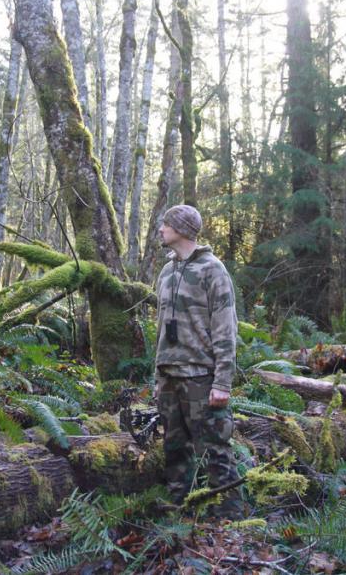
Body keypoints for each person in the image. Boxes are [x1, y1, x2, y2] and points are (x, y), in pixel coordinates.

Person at [153, 204, 243, 519]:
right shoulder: (166, 271)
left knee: (216, 452)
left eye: (166, 224)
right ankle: (180, 513)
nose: (161, 229)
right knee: (175, 451)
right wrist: (157, 376)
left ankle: (232, 523)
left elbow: (225, 329)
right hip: (169, 376)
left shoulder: (213, 270)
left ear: (181, 229)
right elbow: (161, 327)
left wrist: (222, 382)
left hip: (200, 377)